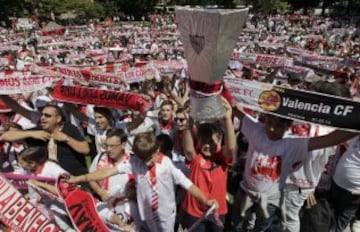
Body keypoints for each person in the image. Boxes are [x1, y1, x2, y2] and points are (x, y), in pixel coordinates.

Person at [231, 104, 357, 232]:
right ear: (265, 118)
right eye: (269, 122)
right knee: (237, 224)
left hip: (270, 200)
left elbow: (331, 139)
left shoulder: (292, 144)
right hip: (245, 191)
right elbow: (235, 108)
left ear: (288, 126)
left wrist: (357, 124)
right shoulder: (256, 129)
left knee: (262, 227)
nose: (272, 129)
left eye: (279, 125)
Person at [67, 131, 217, 232]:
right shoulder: (135, 162)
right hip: (146, 216)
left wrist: (205, 199)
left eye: (150, 158)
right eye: (142, 159)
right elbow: (107, 172)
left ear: (157, 150)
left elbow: (187, 183)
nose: (146, 163)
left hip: (166, 217)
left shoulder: (167, 164)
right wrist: (80, 178)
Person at [181, 97, 236, 232]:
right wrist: (189, 123)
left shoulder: (223, 159)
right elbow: (188, 150)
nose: (207, 145)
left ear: (220, 141)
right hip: (194, 212)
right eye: (203, 141)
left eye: (212, 141)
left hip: (218, 210)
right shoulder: (196, 158)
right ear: (197, 142)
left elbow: (230, 149)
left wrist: (228, 119)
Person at [1, 104, 90, 176]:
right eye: (42, 115)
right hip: (49, 180)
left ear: (58, 119)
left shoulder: (68, 128)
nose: (42, 118)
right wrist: (31, 133)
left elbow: (85, 149)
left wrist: (67, 139)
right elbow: (5, 136)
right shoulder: (38, 131)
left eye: (47, 116)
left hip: (75, 177)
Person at [89, 128, 139, 224]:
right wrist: (100, 191)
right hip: (106, 210)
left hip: (130, 211)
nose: (108, 149)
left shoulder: (133, 161)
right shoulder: (100, 158)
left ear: (123, 145)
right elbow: (91, 178)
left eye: (112, 146)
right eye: (107, 146)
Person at [18, 146, 75, 231]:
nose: (20, 165)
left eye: (22, 163)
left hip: (71, 206)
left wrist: (39, 184)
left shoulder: (51, 168)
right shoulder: (32, 172)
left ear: (33, 163)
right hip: (54, 209)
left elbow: (69, 186)